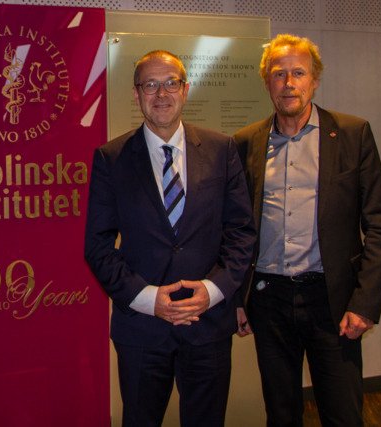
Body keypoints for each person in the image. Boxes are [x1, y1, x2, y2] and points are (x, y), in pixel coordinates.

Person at [84, 50, 255, 426]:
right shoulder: (111, 158)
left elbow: (241, 232)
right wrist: (149, 299)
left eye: (170, 83)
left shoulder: (221, 149)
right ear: (136, 94)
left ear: (186, 89)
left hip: (207, 323)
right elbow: (97, 246)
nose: (161, 93)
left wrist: (212, 291)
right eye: (150, 85)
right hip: (142, 330)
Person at [234, 34, 381, 426]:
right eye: (279, 74)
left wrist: (365, 303)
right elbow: (235, 229)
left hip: (333, 302)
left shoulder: (353, 134)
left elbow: (379, 226)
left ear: (315, 80)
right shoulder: (245, 143)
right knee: (281, 413)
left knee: (342, 413)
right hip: (268, 300)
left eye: (299, 73)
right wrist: (238, 298)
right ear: (266, 82)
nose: (289, 82)